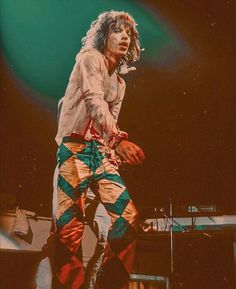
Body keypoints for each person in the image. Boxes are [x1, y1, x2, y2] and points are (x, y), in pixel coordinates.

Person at [53, 11, 145, 289]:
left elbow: (109, 120)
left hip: (100, 153)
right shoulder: (89, 59)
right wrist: (119, 140)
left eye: (128, 33)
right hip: (74, 150)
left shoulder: (119, 83)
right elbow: (94, 100)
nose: (125, 37)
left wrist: (113, 150)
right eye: (117, 31)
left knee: (127, 218)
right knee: (69, 230)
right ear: (105, 36)